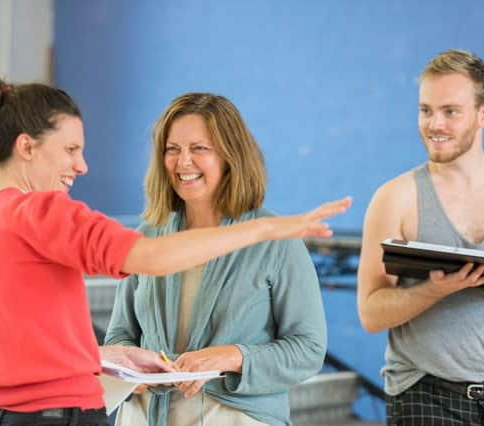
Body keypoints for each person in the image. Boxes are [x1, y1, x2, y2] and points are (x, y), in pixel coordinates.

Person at [0, 75, 351, 426]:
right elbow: (152, 257)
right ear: (26, 147)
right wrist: (263, 228)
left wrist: (120, 355)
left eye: (200, 148)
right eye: (71, 150)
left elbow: (33, 346)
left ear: (231, 156)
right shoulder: (45, 213)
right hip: (71, 414)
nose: (83, 166)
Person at [105, 92, 332, 426]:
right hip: (143, 416)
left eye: (199, 148)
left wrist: (234, 356)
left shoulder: (275, 242)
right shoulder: (148, 237)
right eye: (173, 149)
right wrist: (133, 370)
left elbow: (308, 349)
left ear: (230, 155)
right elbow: (120, 336)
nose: (183, 162)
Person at [357, 49, 484, 426]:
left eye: (450, 111)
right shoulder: (395, 198)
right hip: (426, 396)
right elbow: (370, 312)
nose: (434, 124)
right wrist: (434, 290)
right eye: (425, 110)